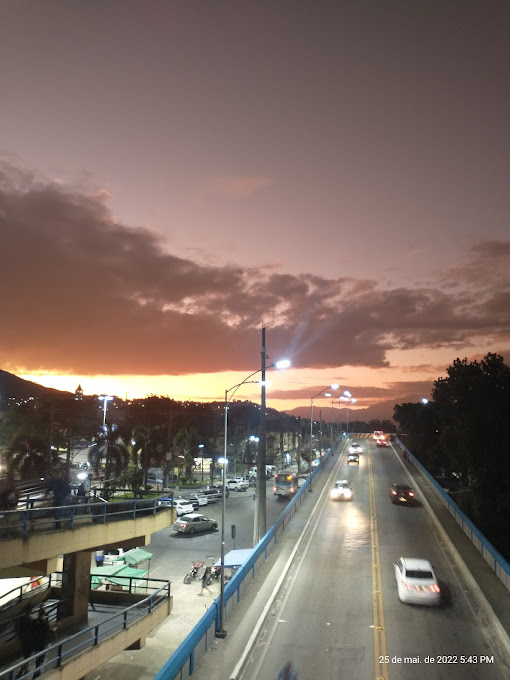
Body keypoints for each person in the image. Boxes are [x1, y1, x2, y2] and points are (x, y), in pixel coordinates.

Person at [32, 606, 54, 679]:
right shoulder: (45, 623)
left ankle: (36, 671)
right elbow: (49, 631)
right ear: (44, 614)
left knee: (38, 659)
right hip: (43, 643)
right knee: (41, 659)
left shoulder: (35, 622)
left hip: (36, 643)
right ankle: (37, 673)